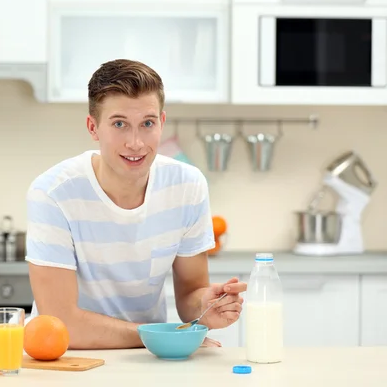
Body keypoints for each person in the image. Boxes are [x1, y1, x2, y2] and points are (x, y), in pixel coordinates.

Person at [25, 59, 246, 349]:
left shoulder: (187, 186)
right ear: (93, 127)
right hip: (65, 359)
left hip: (149, 358)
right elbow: (61, 322)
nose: (136, 142)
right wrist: (163, 336)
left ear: (162, 123)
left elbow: (190, 295)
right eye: (119, 124)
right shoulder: (53, 193)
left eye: (147, 124)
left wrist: (205, 306)